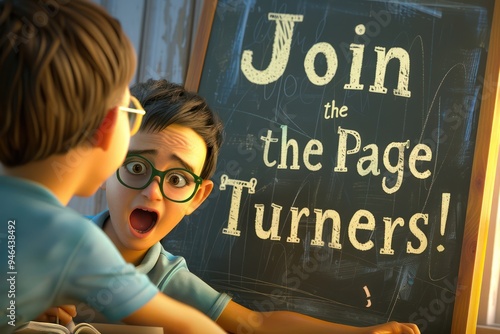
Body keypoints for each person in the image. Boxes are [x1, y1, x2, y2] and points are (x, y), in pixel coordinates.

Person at [85, 78, 421, 333]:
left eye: (177, 180)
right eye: (136, 168)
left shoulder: (167, 279)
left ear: (197, 198)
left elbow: (255, 324)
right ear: (105, 167)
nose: (153, 193)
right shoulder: (52, 237)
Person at [0, 1, 225, 333]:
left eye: (177, 178)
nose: (152, 191)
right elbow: (195, 327)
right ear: (108, 127)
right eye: (129, 111)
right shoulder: (75, 243)